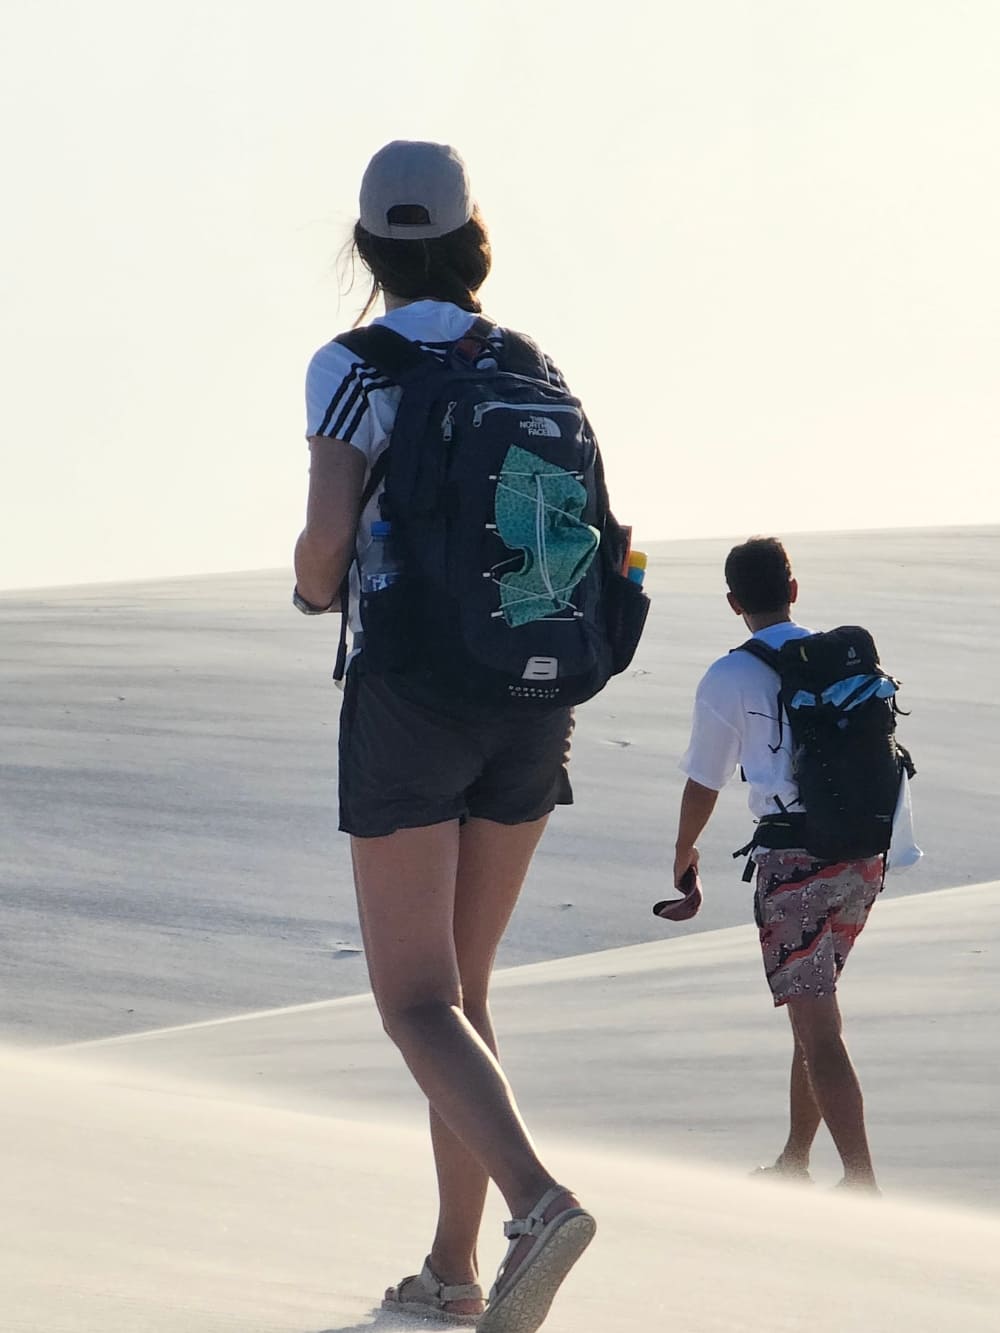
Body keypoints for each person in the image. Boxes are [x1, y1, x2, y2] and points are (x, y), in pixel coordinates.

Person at [293, 141, 596, 1333]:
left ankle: (536, 1204)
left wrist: (319, 589)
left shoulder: (351, 365)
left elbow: (325, 543)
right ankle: (453, 1268)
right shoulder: (531, 361)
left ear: (367, 247)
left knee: (414, 1000)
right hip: (533, 693)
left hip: (412, 691)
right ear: (475, 235)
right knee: (463, 993)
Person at [668, 536, 893, 1192]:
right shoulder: (838, 660)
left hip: (793, 864)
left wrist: (683, 854)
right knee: (815, 1011)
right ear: (794, 587)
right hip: (860, 860)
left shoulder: (729, 676)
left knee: (818, 1028)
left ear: (733, 601)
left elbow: (703, 782)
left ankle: (863, 1183)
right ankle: (796, 1160)